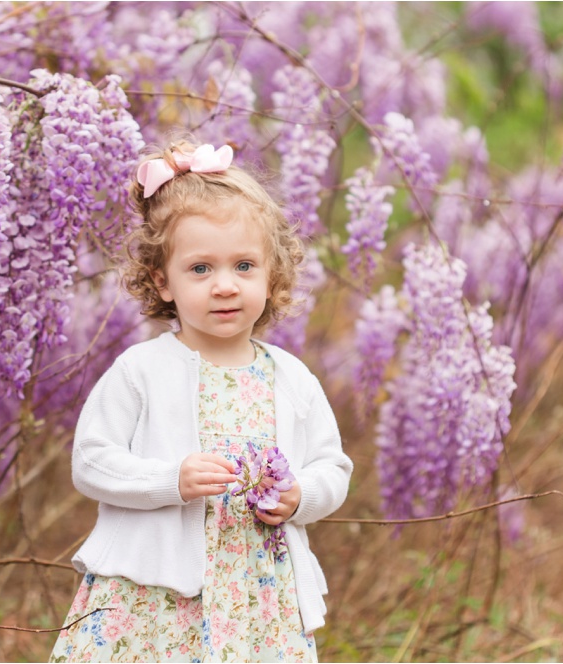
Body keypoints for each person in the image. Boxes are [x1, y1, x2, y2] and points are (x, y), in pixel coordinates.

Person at [50, 141, 353, 663]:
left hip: (259, 595)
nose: (225, 286)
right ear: (162, 281)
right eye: (200, 269)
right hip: (155, 597)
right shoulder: (142, 369)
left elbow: (333, 467)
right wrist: (170, 480)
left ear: (271, 275)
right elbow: (92, 461)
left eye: (244, 266)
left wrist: (300, 496)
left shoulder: (292, 378)